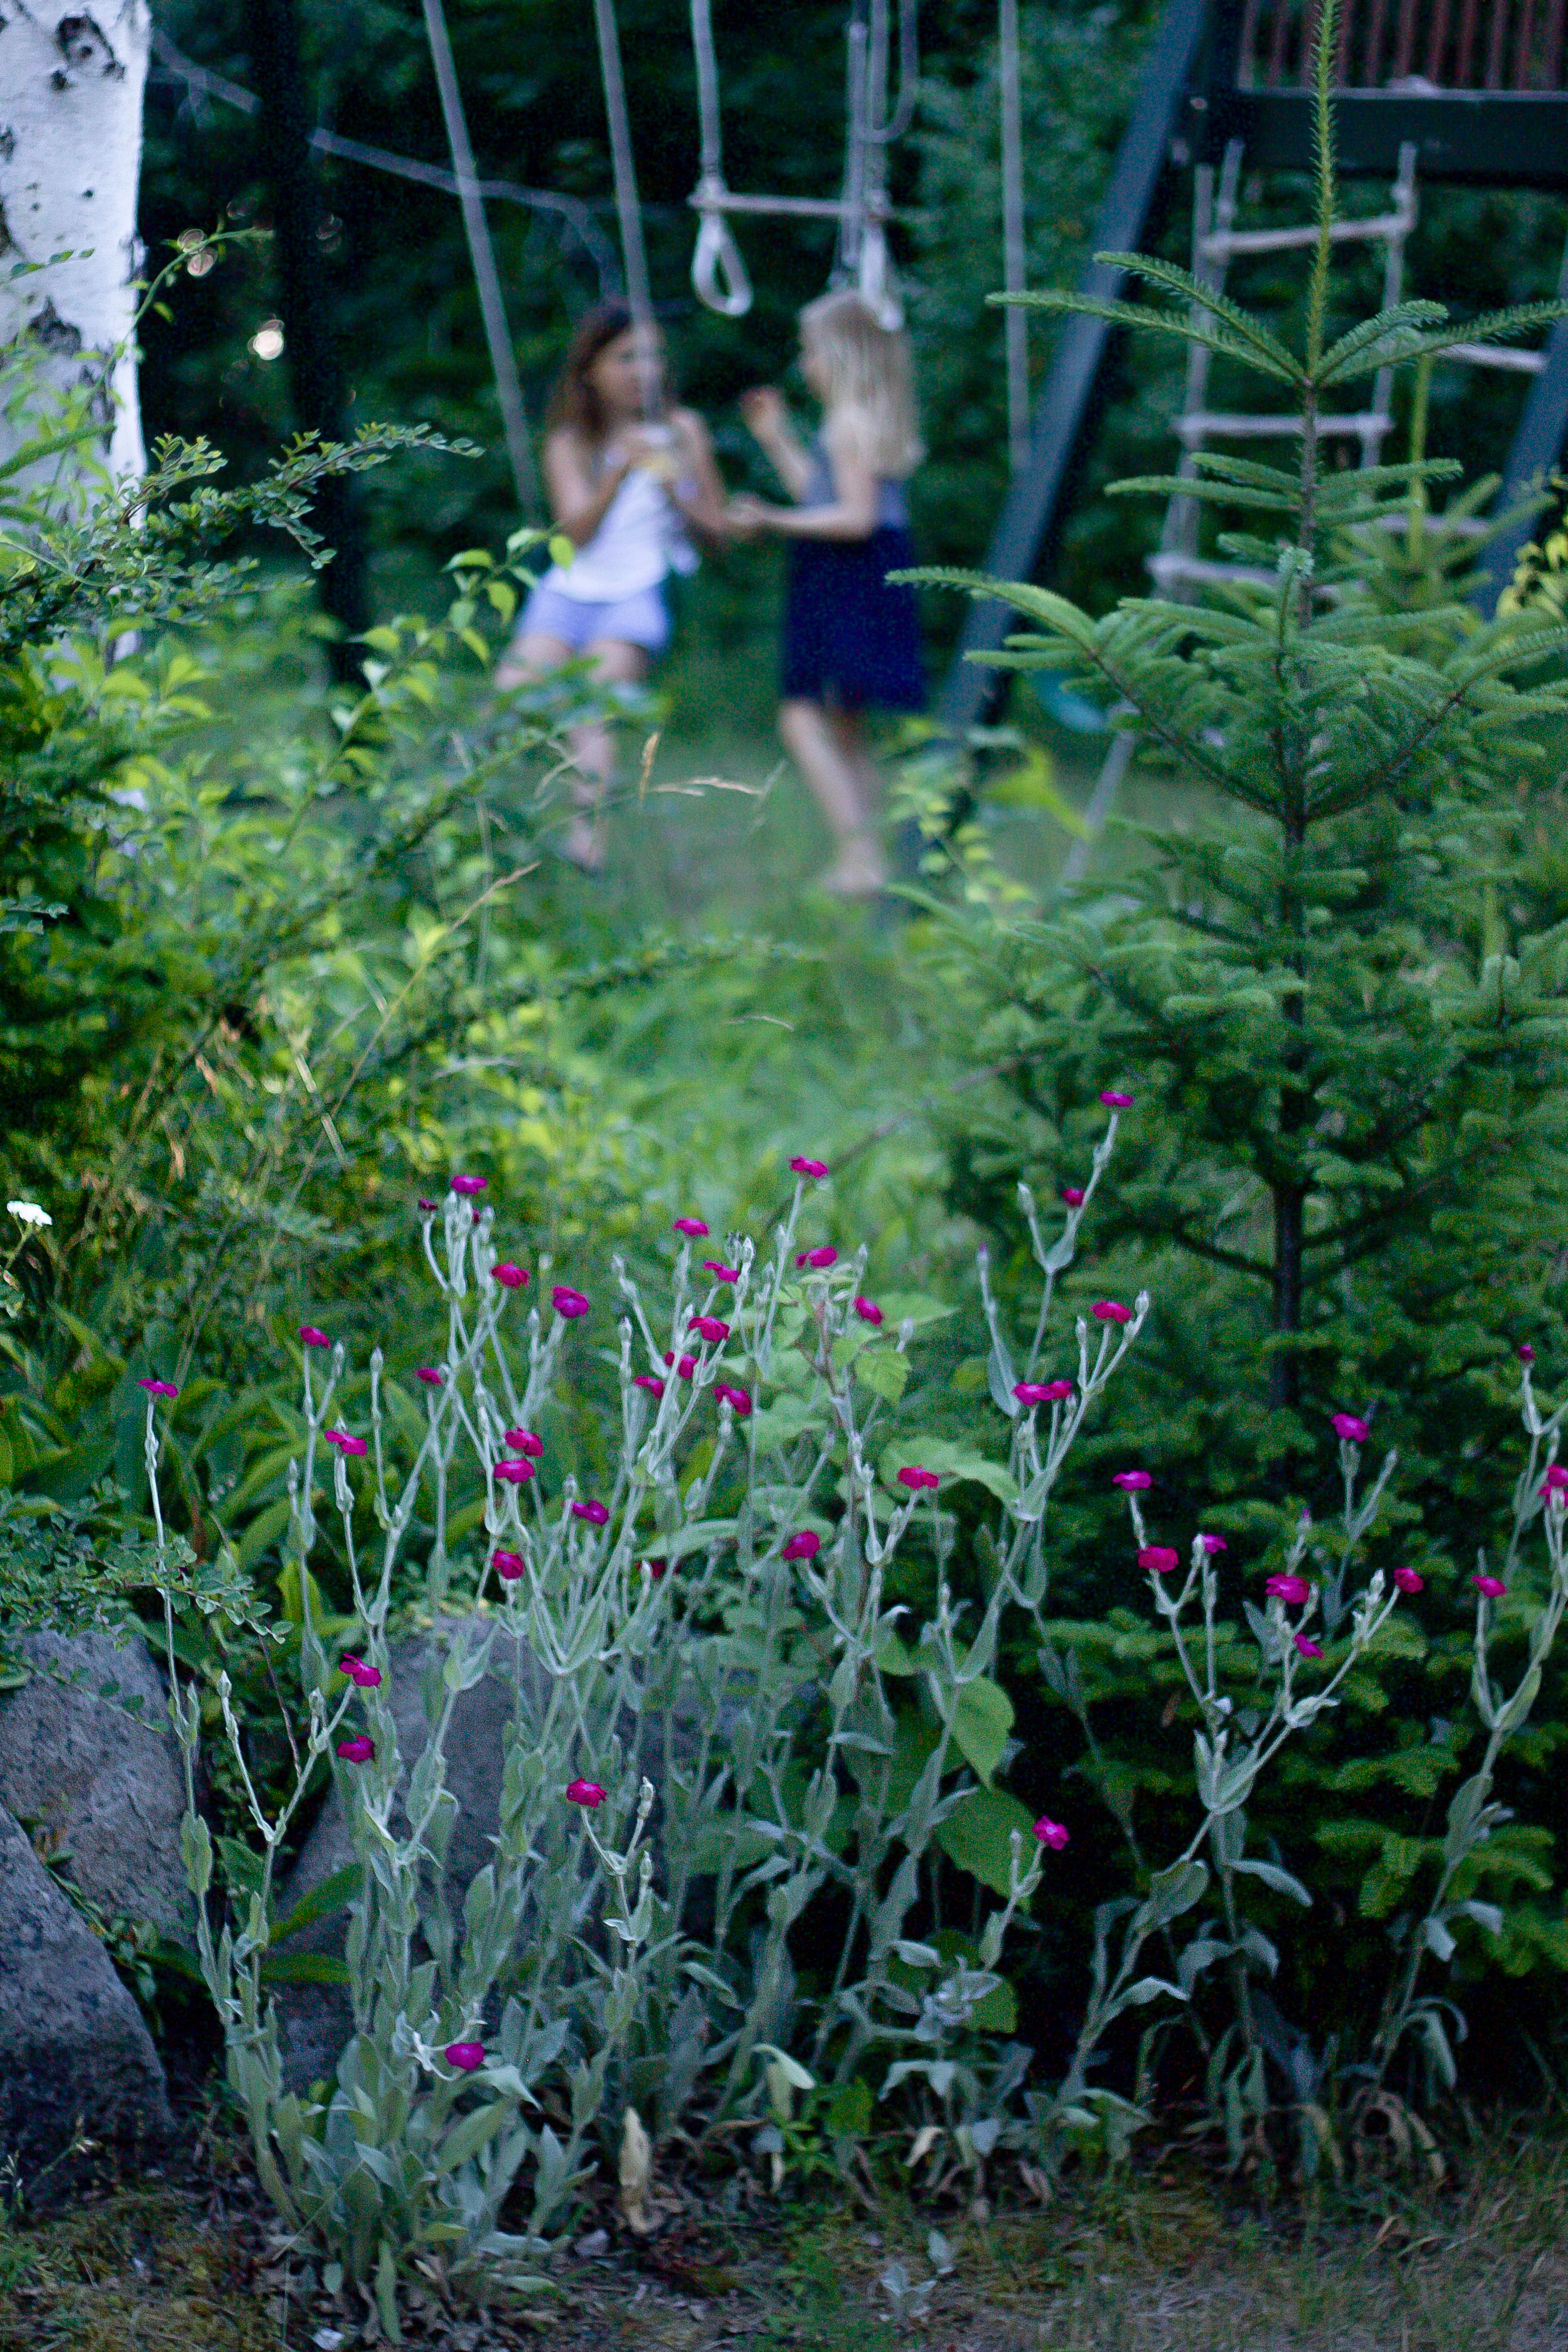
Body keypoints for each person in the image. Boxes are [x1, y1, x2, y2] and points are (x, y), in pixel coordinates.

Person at [495, 299, 728, 871]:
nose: (643, 371)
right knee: (511, 694)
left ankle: (587, 845)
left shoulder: (682, 429)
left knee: (591, 706)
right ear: (592, 369)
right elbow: (574, 535)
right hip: (569, 590)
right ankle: (502, 825)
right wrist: (621, 473)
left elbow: (717, 534)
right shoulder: (570, 441)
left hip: (637, 592)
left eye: (652, 357)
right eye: (627, 358)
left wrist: (675, 486)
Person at [731, 288, 925, 898]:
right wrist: (777, 438)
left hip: (850, 572)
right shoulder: (860, 422)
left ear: (842, 355)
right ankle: (867, 859)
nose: (804, 364)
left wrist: (769, 520)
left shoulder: (849, 424)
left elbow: (853, 520)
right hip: (859, 572)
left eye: (810, 350)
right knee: (846, 726)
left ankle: (860, 855)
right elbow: (824, 498)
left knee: (801, 716)